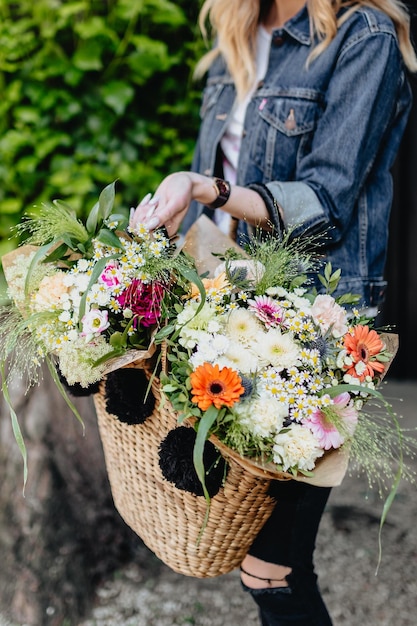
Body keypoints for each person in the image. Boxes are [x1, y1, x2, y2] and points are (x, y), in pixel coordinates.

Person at [130, 1, 417, 624]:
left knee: (272, 571)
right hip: (227, 310)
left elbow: (327, 200)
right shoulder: (235, 33)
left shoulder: (361, 35)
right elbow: (209, 186)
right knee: (261, 563)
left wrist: (208, 189)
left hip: (315, 324)